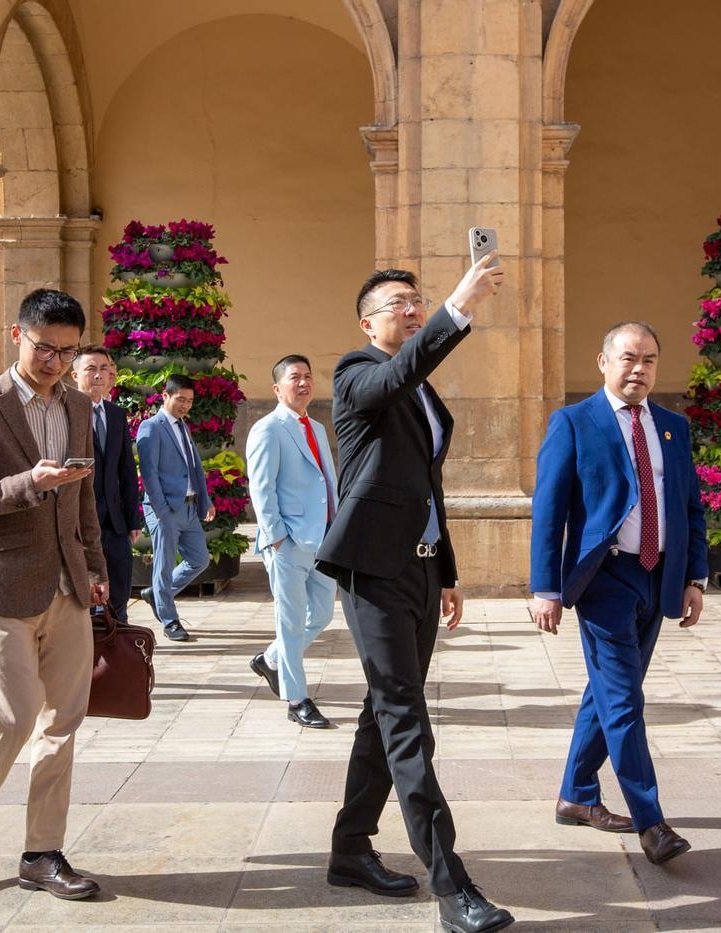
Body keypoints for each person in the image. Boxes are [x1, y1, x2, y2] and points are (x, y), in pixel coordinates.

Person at [315, 254, 514, 933]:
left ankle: (349, 848)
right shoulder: (356, 372)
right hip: (372, 570)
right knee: (407, 719)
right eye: (397, 300)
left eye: (416, 298)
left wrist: (447, 569)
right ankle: (452, 886)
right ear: (366, 319)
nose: (410, 306)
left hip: (420, 571)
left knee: (384, 707)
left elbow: (425, 485)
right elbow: (396, 375)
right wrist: (458, 304)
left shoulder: (423, 392)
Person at [0, 288, 109, 900]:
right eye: (46, 349)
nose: (56, 362)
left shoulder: (79, 407)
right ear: (18, 336)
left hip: (68, 583)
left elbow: (86, 496)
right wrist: (28, 483)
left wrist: (95, 565)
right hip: (4, 580)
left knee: (63, 722)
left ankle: (43, 853)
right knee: (12, 719)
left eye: (68, 352)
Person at [530, 321, 708, 866]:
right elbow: (549, 511)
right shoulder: (573, 423)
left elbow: (689, 508)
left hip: (658, 577)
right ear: (603, 362)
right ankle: (652, 823)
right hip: (604, 579)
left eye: (649, 360)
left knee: (607, 693)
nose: (639, 369)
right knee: (625, 700)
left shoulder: (674, 428)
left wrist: (694, 576)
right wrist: (545, 588)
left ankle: (576, 795)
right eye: (628, 358)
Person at [246, 354, 338, 728]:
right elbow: (261, 488)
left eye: (307, 377)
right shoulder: (268, 429)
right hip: (288, 542)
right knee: (290, 620)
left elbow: (327, 482)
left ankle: (270, 659)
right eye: (294, 377)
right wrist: (277, 537)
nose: (303, 383)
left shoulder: (315, 427)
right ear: (277, 388)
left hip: (323, 539)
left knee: (323, 614)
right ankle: (297, 699)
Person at [135, 373, 215, 642]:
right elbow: (149, 473)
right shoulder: (152, 427)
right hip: (165, 508)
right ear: (165, 396)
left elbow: (195, 468)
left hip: (190, 508)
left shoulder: (183, 426)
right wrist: (161, 509)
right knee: (164, 565)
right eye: (180, 399)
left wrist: (206, 501)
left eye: (190, 401)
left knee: (200, 560)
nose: (185, 405)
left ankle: (156, 595)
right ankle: (170, 621)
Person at [70, 345, 142, 620]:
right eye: (90, 369)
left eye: (104, 368)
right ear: (74, 374)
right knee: (86, 596)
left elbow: (125, 469)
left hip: (114, 521)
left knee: (120, 590)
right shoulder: (65, 413)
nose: (98, 375)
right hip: (79, 521)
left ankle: (118, 652)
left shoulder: (115, 414)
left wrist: (132, 518)